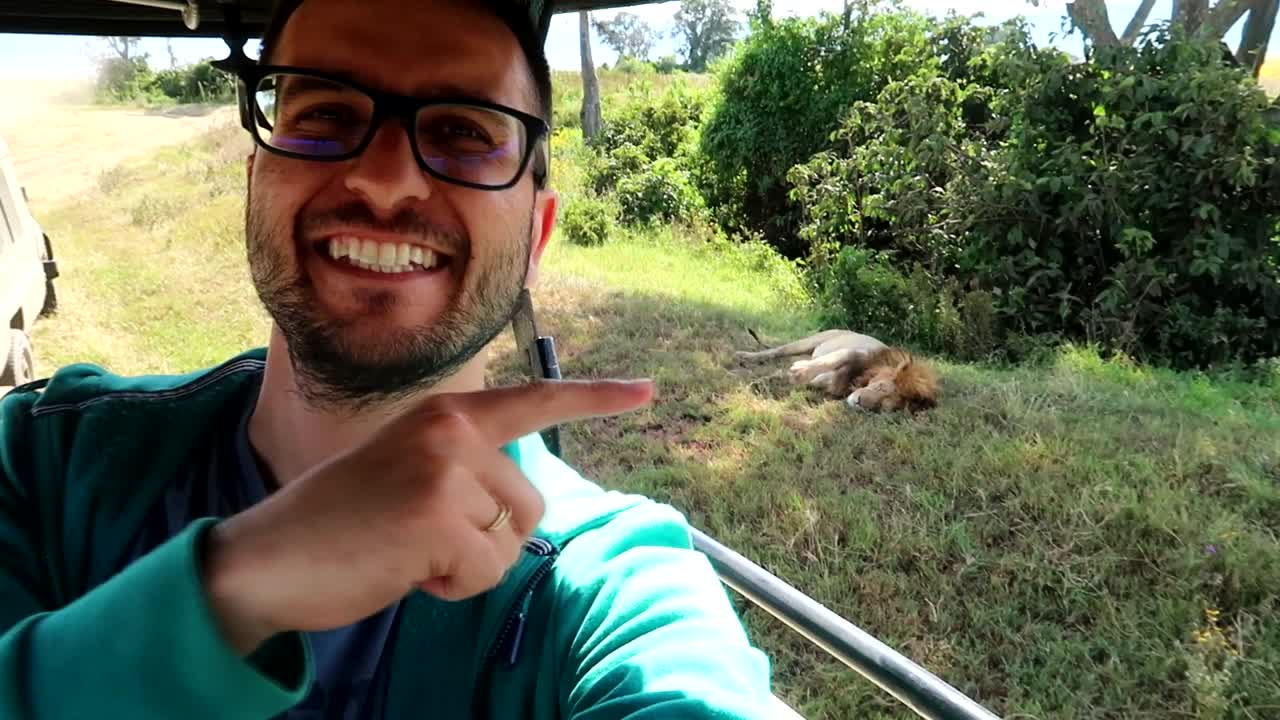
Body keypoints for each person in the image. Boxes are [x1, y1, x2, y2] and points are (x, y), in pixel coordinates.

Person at [0, 0, 776, 717]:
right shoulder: (43, 461)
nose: (383, 181)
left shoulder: (611, 589)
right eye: (327, 113)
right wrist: (233, 590)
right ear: (255, 183)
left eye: (463, 131)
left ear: (535, 240)